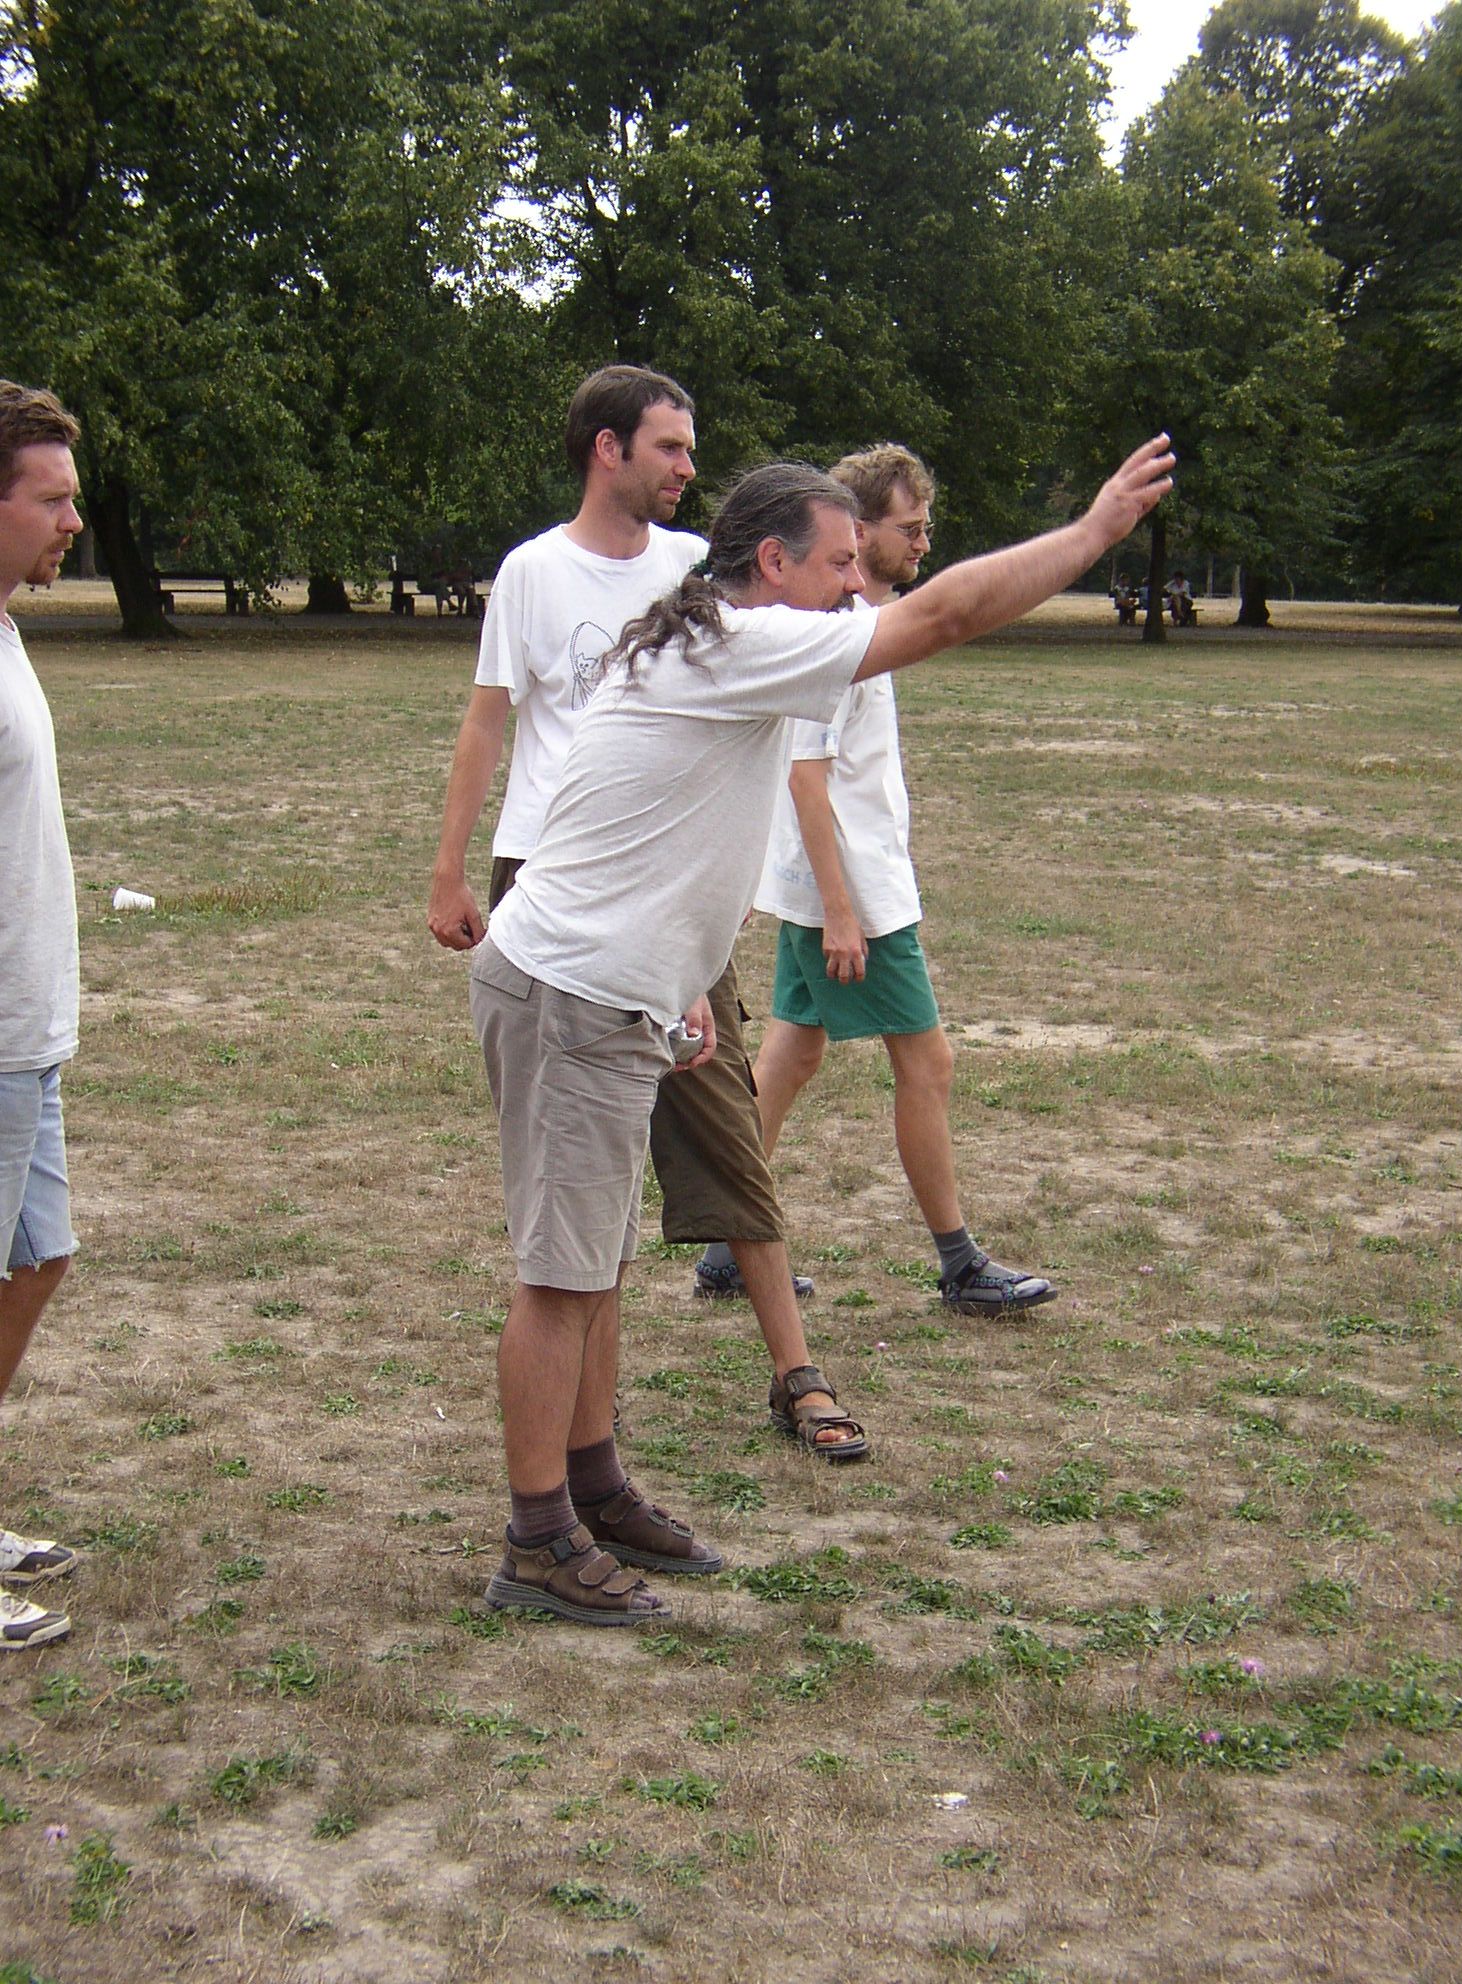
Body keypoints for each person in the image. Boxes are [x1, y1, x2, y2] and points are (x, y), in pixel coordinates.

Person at [464, 434, 1174, 1625]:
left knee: (595, 1268)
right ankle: (537, 1540)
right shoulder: (736, 644)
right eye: (841, 563)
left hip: (613, 990)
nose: (858, 585)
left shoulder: (710, 643)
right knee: (560, 1277)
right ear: (773, 563)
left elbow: (645, 826)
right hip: (569, 993)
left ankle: (594, 1487)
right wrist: (1094, 533)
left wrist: (681, 982)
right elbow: (943, 616)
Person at [429, 366, 867, 1482]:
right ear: (605, 448)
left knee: (719, 1133)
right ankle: (572, 1466)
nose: (687, 466)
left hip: (668, 902)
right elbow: (487, 723)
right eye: (669, 446)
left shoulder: (696, 574)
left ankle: (791, 1370)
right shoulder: (534, 572)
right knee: (584, 1212)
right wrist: (450, 869)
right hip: (562, 886)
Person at [727, 445, 1056, 1318]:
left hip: (831, 886)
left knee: (793, 1054)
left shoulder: (866, 623)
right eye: (909, 528)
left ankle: (725, 1241)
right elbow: (805, 776)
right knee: (927, 1061)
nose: (923, 543)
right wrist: (841, 912)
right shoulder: (834, 635)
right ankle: (960, 1264)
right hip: (851, 894)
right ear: (860, 528)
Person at [0, 381, 86, 1650]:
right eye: (52, 499)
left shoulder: (8, 627)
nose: (74, 522)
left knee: (39, 1257)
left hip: (27, 1030)